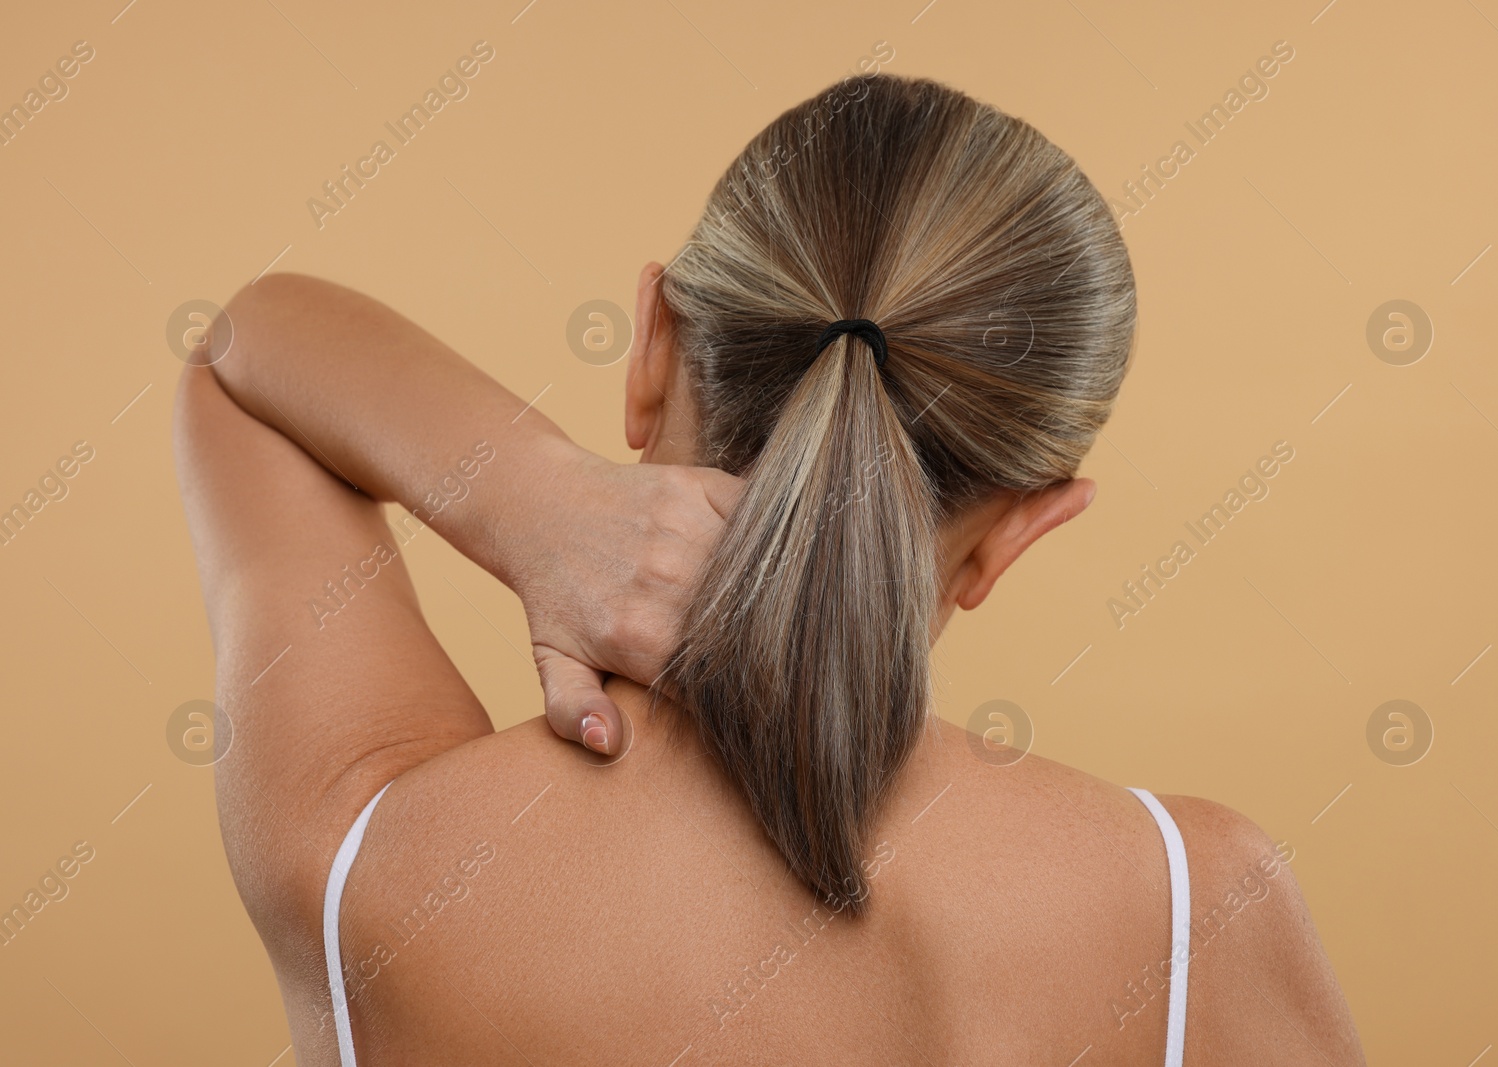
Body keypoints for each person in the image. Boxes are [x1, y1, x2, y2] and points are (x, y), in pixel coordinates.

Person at [174, 72, 1365, 1066]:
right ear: (1019, 528)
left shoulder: (369, 856)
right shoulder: (1190, 909)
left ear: (652, 348)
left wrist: (530, 491)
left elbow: (244, 351)